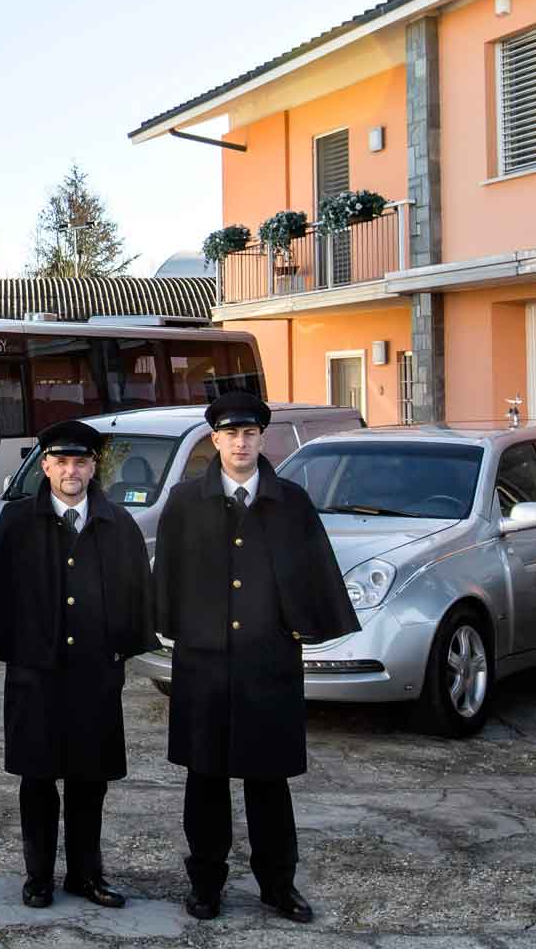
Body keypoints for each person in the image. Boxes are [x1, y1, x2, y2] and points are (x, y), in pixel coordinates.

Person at [153, 391, 358, 923]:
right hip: (204, 665)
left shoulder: (290, 502)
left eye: (250, 434)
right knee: (206, 783)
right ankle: (205, 884)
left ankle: (278, 885)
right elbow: (166, 577)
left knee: (268, 783)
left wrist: (305, 627)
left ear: (262, 438)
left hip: (268, 664)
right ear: (214, 439)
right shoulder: (183, 503)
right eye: (230, 434)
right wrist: (175, 632)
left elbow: (315, 569)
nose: (241, 443)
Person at [0, 420, 156, 909]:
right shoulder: (16, 523)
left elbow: (137, 595)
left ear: (93, 467)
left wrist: (120, 648)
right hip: (36, 674)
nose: (71, 471)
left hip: (95, 674)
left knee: (88, 780)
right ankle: (38, 876)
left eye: (81, 462)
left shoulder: (117, 524)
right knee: (37, 778)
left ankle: (86, 874)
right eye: (61, 462)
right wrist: (15, 647)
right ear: (46, 467)